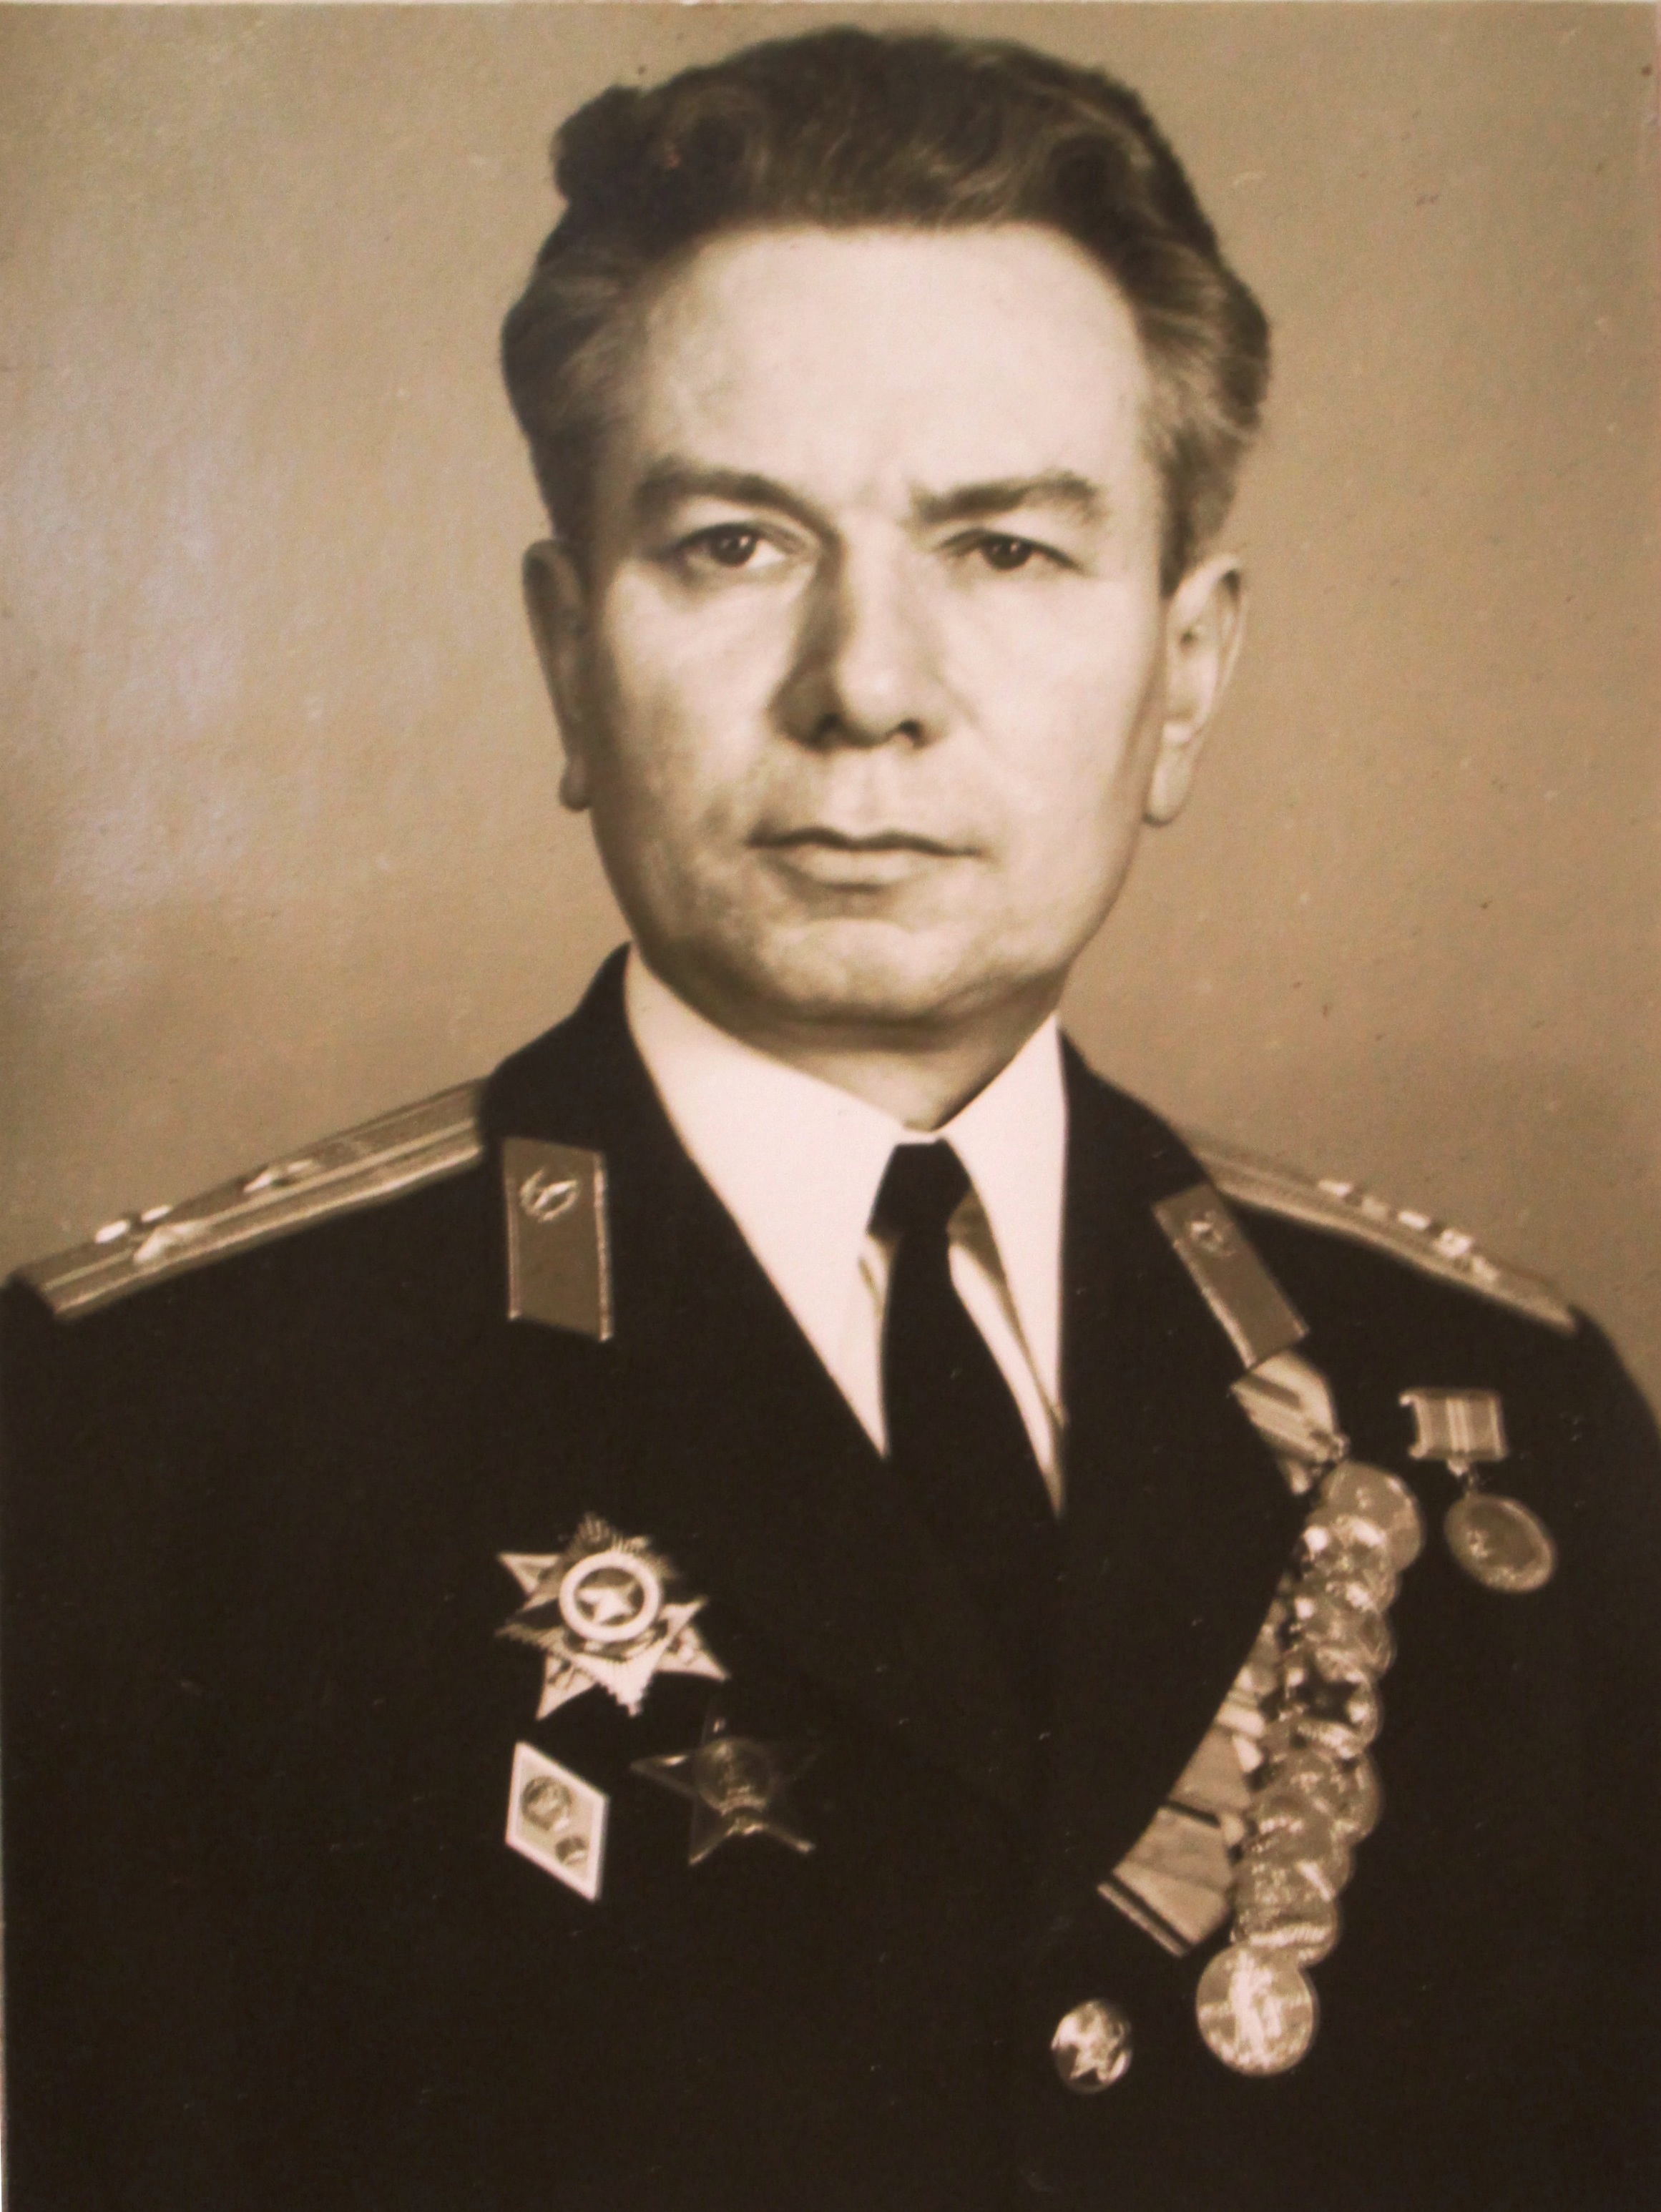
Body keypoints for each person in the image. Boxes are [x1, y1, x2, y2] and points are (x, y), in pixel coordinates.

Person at [3, 26, 1657, 2211]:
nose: (866, 685)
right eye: (731, 544)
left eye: (1005, 551)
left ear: (1184, 674)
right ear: (565, 658)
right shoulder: (134, 1442)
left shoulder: (1510, 1423)